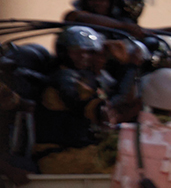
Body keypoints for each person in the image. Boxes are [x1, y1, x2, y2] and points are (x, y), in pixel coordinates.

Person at [32, 26, 113, 174]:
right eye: (77, 52)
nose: (84, 56)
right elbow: (84, 107)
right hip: (58, 156)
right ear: (64, 52)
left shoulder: (80, 78)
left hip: (74, 153)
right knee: (124, 160)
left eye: (88, 52)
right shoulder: (64, 78)